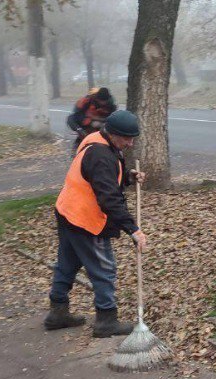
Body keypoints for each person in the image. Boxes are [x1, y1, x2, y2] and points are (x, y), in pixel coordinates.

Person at [44, 109, 148, 338]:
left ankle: (57, 313)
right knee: (104, 268)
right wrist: (133, 229)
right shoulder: (101, 155)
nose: (130, 144)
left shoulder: (97, 140)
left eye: (133, 138)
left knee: (67, 264)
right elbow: (109, 198)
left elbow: (101, 178)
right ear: (112, 133)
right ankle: (106, 320)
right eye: (126, 138)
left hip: (67, 211)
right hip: (84, 219)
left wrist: (128, 177)